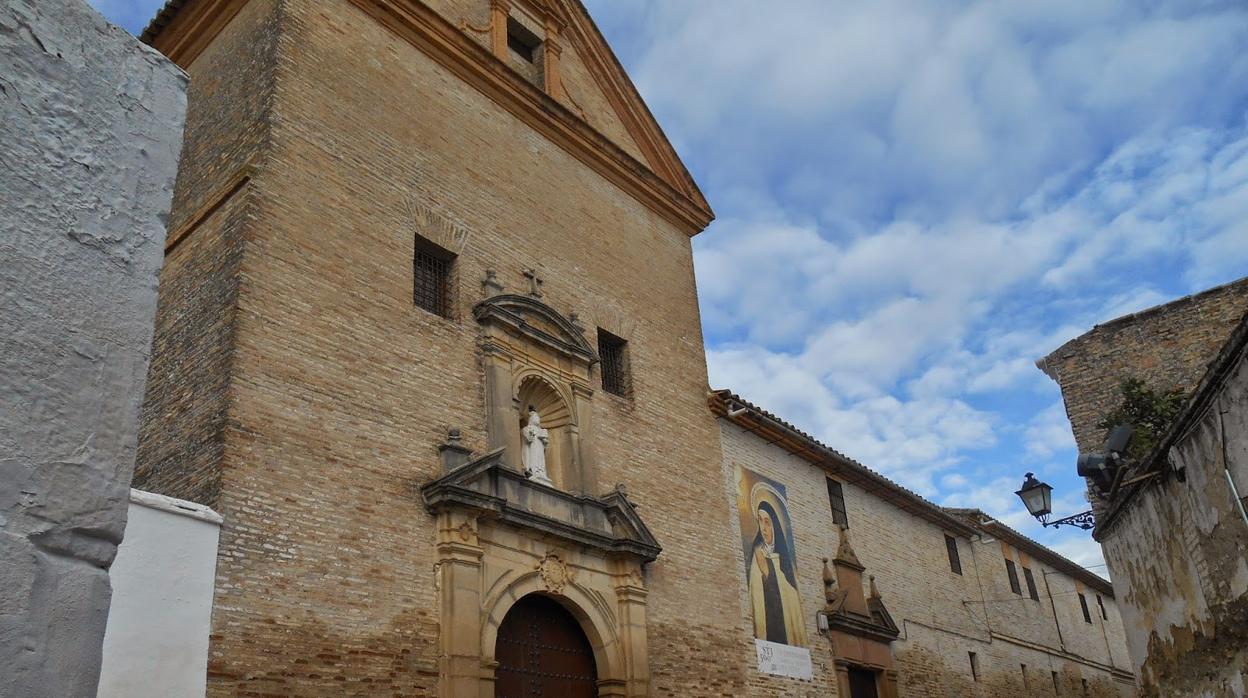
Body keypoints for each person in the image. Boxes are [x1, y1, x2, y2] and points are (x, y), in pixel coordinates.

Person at [747, 501, 807, 646]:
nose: (763, 528)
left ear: (775, 525)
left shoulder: (786, 562)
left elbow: (794, 603)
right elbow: (756, 597)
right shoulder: (757, 557)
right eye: (760, 521)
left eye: (767, 522)